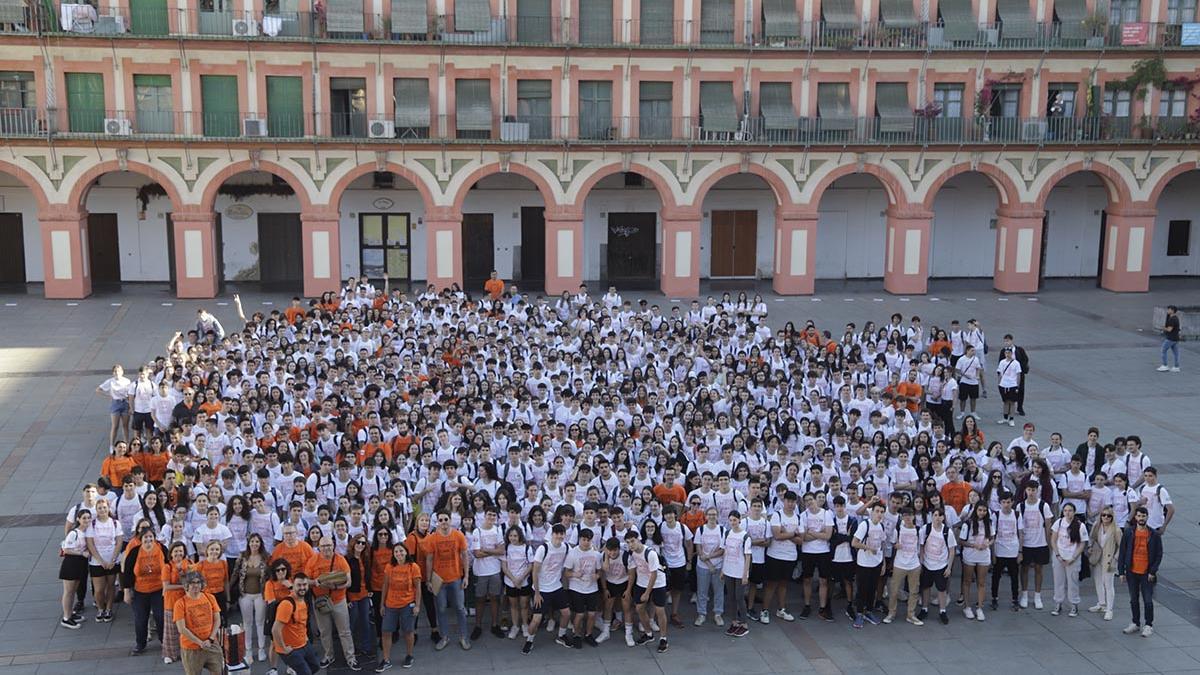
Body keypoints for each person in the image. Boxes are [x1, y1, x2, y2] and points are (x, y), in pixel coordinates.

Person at [306, 536, 359, 671]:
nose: (326, 548)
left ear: (333, 545)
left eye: (329, 545)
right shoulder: (313, 560)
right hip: (320, 601)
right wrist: (315, 582)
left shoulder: (340, 560)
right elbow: (306, 580)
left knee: (345, 631)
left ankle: (351, 658)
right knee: (325, 631)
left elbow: (348, 582)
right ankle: (329, 655)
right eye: (323, 546)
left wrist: (335, 587)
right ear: (319, 547)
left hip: (339, 600)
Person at [425, 511, 470, 651]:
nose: (443, 522)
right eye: (441, 519)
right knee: (441, 609)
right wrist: (428, 580)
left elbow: (465, 556)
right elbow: (429, 559)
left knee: (460, 608)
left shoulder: (458, 535)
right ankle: (444, 637)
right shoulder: (432, 538)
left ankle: (463, 637)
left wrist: (466, 576)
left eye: (446, 519)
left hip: (456, 578)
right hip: (439, 580)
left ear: (450, 520)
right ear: (437, 522)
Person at [1119, 506, 1163, 637]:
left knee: (1148, 600)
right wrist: (1121, 571)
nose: (1141, 518)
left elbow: (1159, 554)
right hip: (1132, 571)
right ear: (1135, 517)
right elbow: (1122, 552)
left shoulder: (1154, 535)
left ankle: (1148, 625)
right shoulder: (1129, 533)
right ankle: (1135, 623)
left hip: (1146, 573)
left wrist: (1153, 571)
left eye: (1143, 516)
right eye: (1139, 516)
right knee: (1133, 599)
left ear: (1147, 517)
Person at [379, 542, 422, 671]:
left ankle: (409, 655)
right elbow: (385, 586)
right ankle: (386, 659)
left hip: (407, 603)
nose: (399, 554)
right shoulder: (389, 567)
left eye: (401, 551)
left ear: (406, 552)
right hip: (391, 604)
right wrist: (382, 604)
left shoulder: (413, 567)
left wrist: (417, 605)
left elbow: (418, 587)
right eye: (396, 551)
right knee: (386, 631)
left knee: (408, 631)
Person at [625, 529, 669, 654]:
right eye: (628, 542)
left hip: (658, 583)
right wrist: (628, 590)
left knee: (660, 611)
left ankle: (663, 639)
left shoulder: (650, 553)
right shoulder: (631, 554)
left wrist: (647, 593)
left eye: (632, 541)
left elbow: (654, 574)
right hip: (641, 583)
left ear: (639, 539)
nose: (631, 544)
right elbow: (632, 573)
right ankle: (649, 634)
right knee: (639, 608)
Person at [126, 529, 168, 655]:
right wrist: (127, 591)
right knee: (140, 618)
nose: (148, 540)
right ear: (141, 539)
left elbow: (168, 566)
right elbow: (127, 572)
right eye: (146, 537)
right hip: (140, 590)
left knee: (160, 616)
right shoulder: (135, 552)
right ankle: (140, 644)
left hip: (158, 589)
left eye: (151, 537)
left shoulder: (162, 549)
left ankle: (163, 641)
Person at [175, 571, 223, 675]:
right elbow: (182, 629)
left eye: (198, 582)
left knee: (219, 672)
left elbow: (217, 620)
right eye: (192, 583)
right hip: (191, 648)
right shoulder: (180, 604)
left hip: (211, 644)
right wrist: (200, 643)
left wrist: (210, 639)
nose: (196, 585)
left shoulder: (210, 598)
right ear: (186, 585)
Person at [273, 573, 322, 675]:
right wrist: (284, 648)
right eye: (299, 585)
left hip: (303, 644)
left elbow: (301, 623)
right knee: (305, 672)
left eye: (304, 585)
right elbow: (275, 629)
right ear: (293, 585)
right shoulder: (287, 604)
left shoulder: (302, 600)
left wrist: (306, 638)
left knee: (315, 667)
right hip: (291, 649)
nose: (302, 588)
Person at [1049, 502, 1088, 617]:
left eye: (1070, 510)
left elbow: (1082, 544)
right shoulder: (1059, 522)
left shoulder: (1080, 525)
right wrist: (1057, 555)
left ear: (1074, 512)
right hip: (1059, 556)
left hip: (1072, 557)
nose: (1067, 513)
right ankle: (1058, 602)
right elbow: (1053, 540)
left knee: (1073, 582)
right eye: (1065, 510)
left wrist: (1073, 557)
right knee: (1058, 581)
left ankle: (1074, 604)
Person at [59, 508, 92, 629]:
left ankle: (70, 613)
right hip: (71, 564)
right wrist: (81, 553)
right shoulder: (74, 533)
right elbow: (67, 549)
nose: (86, 520)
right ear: (78, 519)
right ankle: (66, 618)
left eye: (88, 518)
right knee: (68, 591)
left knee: (73, 590)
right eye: (84, 518)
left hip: (80, 564)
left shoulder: (85, 532)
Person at [1088, 505, 1122, 621]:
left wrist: (1116, 558)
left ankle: (1109, 609)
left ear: (1112, 517)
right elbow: (1091, 538)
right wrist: (1090, 547)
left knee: (1108, 584)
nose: (1105, 517)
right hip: (1097, 557)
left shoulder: (1116, 530)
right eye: (1103, 515)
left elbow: (1121, 546)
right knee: (1098, 581)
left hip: (1109, 559)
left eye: (1108, 515)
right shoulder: (1097, 526)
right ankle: (1101, 603)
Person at [97, 364, 132, 448]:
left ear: (122, 372)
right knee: (115, 425)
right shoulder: (110, 381)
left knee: (125, 425)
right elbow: (98, 390)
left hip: (125, 402)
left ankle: (126, 444)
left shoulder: (127, 381)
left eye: (119, 371)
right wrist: (109, 396)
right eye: (115, 371)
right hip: (115, 403)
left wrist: (130, 405)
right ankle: (112, 445)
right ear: (113, 373)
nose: (117, 373)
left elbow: (130, 393)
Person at [1157, 304, 1181, 372]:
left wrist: (1163, 328)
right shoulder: (1176, 317)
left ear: (1172, 311)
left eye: (1169, 309)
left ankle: (1165, 365)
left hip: (1170, 338)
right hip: (1175, 338)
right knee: (1176, 353)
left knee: (1163, 350)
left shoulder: (1172, 319)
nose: (1167, 310)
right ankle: (1176, 367)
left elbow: (1169, 329)